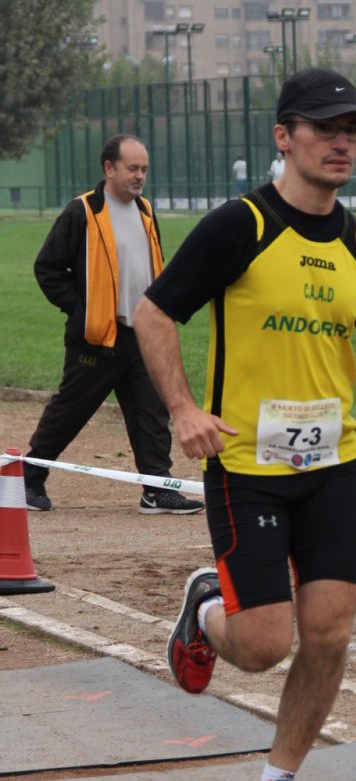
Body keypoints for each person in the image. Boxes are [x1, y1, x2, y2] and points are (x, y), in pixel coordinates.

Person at [134, 68, 356, 781]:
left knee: (328, 632)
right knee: (264, 645)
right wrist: (184, 410)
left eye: (352, 130)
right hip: (246, 468)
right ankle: (206, 611)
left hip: (333, 464)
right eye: (325, 128)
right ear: (284, 136)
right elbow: (153, 313)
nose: (342, 142)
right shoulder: (240, 226)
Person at [24, 134, 202, 516]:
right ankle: (29, 478)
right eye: (132, 168)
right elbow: (47, 268)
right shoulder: (83, 211)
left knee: (151, 413)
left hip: (143, 334)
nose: (140, 176)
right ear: (109, 168)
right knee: (70, 411)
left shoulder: (146, 210)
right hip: (97, 338)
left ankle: (157, 489)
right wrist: (82, 309)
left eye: (144, 169)